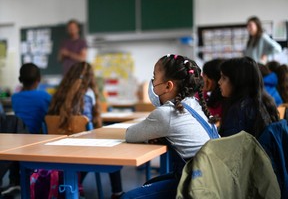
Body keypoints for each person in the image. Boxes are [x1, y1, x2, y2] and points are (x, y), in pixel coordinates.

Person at [123, 54, 218, 199]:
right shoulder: (195, 104)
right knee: (151, 182)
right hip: (216, 177)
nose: (152, 82)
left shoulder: (166, 113)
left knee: (127, 197)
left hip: (198, 185)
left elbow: (130, 134)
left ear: (168, 86)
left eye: (154, 77)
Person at [48, 62, 123, 198]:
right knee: (113, 153)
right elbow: (88, 123)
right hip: (83, 147)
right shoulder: (88, 93)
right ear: (90, 77)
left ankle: (74, 182)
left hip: (58, 145)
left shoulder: (59, 93)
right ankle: (117, 192)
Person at [218, 56, 279, 138]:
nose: (219, 82)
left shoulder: (238, 110)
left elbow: (230, 146)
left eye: (224, 78)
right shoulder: (267, 102)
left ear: (237, 81)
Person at [12, 63, 51, 134]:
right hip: (37, 137)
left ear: (20, 79)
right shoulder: (45, 96)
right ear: (39, 79)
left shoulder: (15, 97)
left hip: (20, 135)